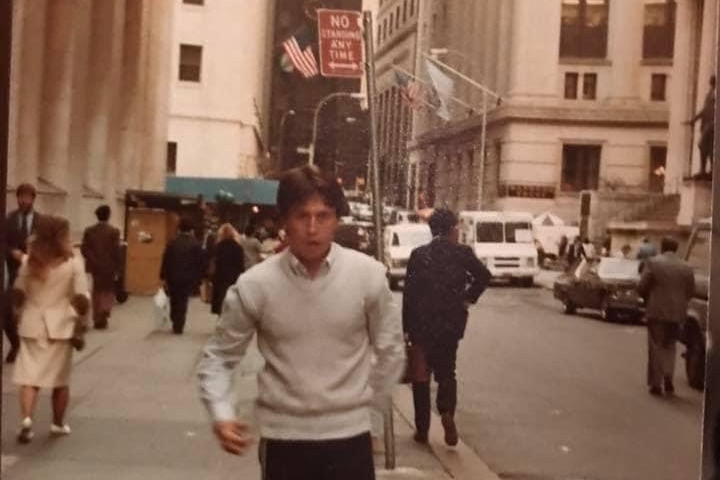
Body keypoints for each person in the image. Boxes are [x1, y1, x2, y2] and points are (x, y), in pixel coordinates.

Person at [196, 165, 405, 480]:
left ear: (336, 220)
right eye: (301, 216)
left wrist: (370, 417)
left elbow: (390, 351)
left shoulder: (368, 276)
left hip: (350, 440)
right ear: (283, 222)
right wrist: (222, 414)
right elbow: (219, 357)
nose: (312, 228)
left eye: (323, 216)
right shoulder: (256, 285)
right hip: (284, 441)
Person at [402, 208, 491, 446]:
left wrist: (407, 329)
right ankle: (447, 413)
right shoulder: (462, 253)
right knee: (447, 372)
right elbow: (484, 275)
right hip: (450, 325)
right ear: (452, 229)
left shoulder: (419, 255)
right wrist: (466, 297)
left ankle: (422, 430)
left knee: (420, 377)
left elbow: (409, 295)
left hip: (421, 325)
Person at [9, 215, 90, 443]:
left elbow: (18, 291)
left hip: (32, 324)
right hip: (61, 325)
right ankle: (57, 423)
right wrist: (82, 321)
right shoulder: (73, 261)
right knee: (60, 380)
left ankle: (26, 419)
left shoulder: (29, 261)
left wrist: (17, 313)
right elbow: (81, 296)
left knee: (29, 378)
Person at [637, 237, 695, 397]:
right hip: (677, 314)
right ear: (676, 248)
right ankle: (668, 377)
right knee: (670, 346)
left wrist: (648, 298)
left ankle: (656, 383)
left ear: (662, 248)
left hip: (657, 311)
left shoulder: (653, 263)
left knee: (656, 346)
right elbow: (691, 291)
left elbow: (642, 286)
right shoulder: (686, 266)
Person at [4, 183, 42, 363]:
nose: (24, 201)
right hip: (14, 273)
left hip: (35, 275)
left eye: (27, 197)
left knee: (31, 313)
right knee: (8, 312)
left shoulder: (41, 222)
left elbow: (47, 246)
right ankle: (16, 343)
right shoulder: (9, 219)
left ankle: (30, 348)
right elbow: (3, 242)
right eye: (21, 197)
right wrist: (11, 251)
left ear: (33, 199)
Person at [159, 217, 204, 334]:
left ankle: (174, 317)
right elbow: (199, 263)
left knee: (174, 299)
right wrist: (199, 278)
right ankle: (179, 324)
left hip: (172, 277)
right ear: (191, 230)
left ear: (179, 228)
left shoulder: (172, 242)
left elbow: (166, 260)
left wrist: (163, 276)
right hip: (188, 278)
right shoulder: (196, 244)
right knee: (183, 301)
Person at [81, 205, 121, 330]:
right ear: (108, 216)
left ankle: (97, 316)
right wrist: (118, 268)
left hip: (94, 266)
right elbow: (116, 251)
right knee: (107, 290)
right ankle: (104, 309)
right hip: (109, 266)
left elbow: (84, 248)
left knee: (96, 291)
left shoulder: (89, 231)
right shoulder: (114, 232)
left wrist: (93, 260)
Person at [210, 224, 244, 316]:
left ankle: (221, 317)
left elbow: (214, 262)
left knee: (220, 299)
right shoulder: (238, 247)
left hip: (220, 277)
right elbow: (241, 264)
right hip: (233, 277)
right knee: (232, 300)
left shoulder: (218, 247)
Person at [685, 75, 715, 177]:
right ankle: (707, 170)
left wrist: (693, 120)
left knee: (702, 145)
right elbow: (705, 110)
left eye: (711, 82)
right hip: (708, 125)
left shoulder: (714, 94)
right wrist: (693, 120)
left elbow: (706, 110)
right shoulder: (711, 94)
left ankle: (707, 170)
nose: (710, 84)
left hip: (711, 125)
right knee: (709, 148)